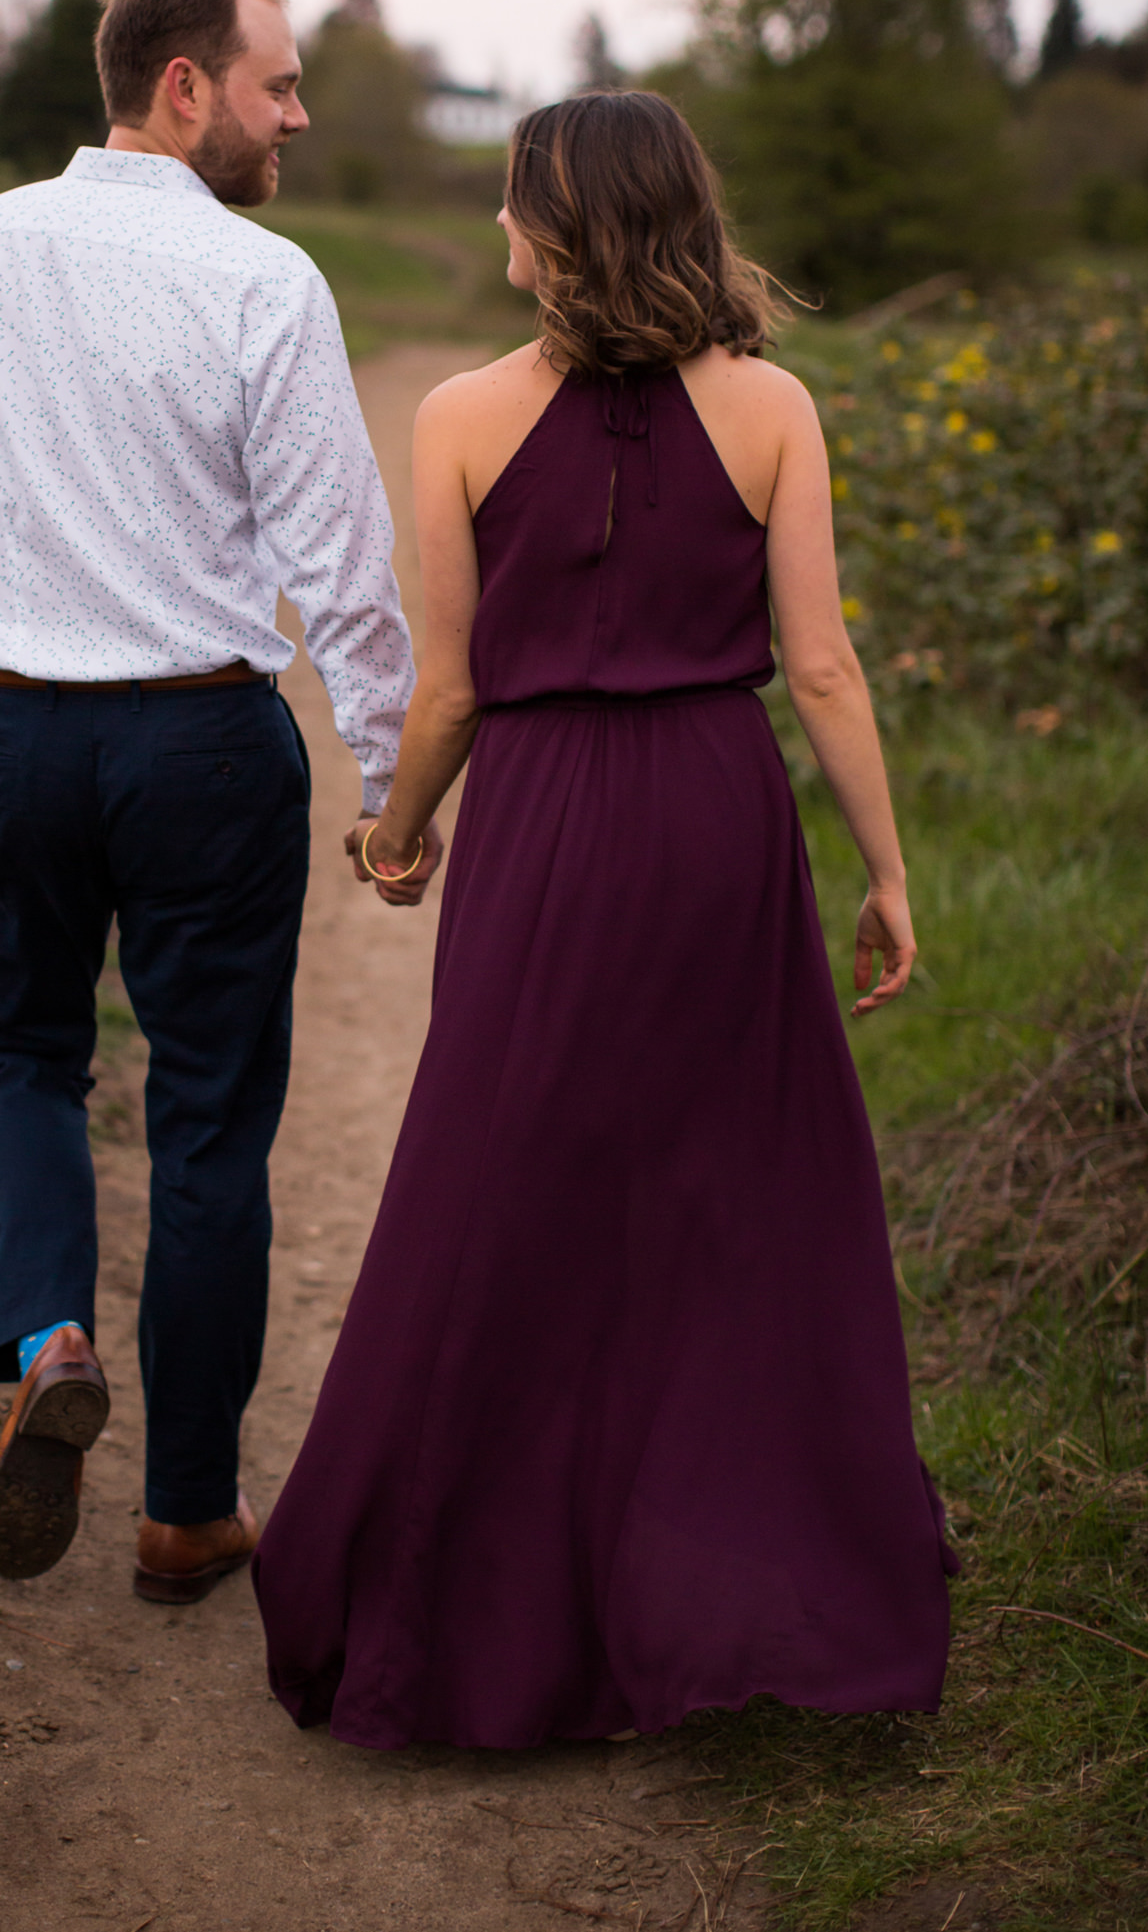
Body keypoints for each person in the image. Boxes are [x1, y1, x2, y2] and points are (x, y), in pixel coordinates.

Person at [254, 89, 956, 1747]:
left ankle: (485, 1614)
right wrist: (887, 867)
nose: (500, 227)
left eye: (514, 202)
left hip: (554, 827)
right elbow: (824, 664)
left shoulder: (459, 415)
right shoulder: (775, 403)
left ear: (565, 224)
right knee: (736, 1202)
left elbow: (451, 691)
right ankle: (735, 1587)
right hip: (721, 813)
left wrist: (393, 831)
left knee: (505, 1186)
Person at [0, 0, 428, 1604]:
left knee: (17, 1053)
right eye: (277, 82)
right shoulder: (263, 282)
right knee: (211, 1120)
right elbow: (340, 563)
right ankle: (184, 1509)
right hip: (207, 744)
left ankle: (48, 1323)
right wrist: (394, 783)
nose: (294, 112)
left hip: (18, 731)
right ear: (184, 85)